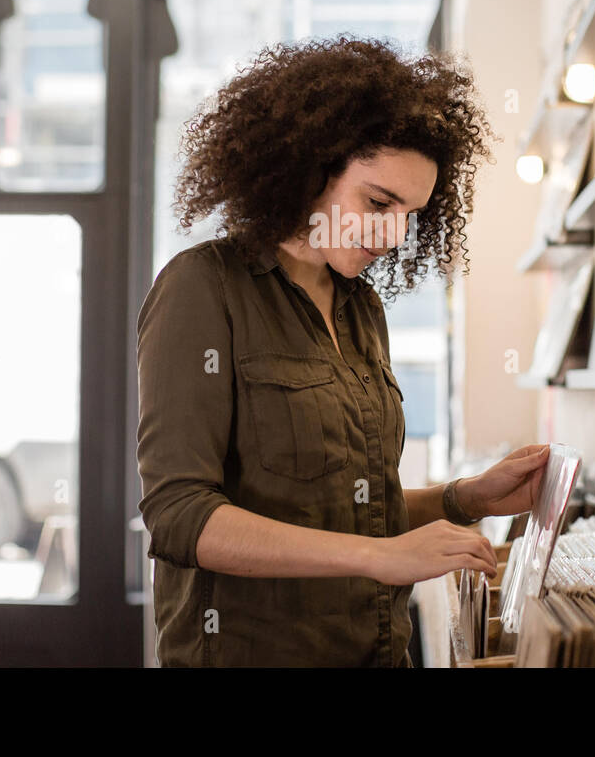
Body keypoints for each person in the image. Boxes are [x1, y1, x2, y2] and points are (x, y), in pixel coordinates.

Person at [136, 34, 551, 666]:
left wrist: (467, 499)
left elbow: (354, 506)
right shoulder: (202, 289)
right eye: (378, 202)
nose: (392, 234)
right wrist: (379, 559)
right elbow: (179, 516)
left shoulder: (363, 311)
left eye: (409, 213)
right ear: (308, 168)